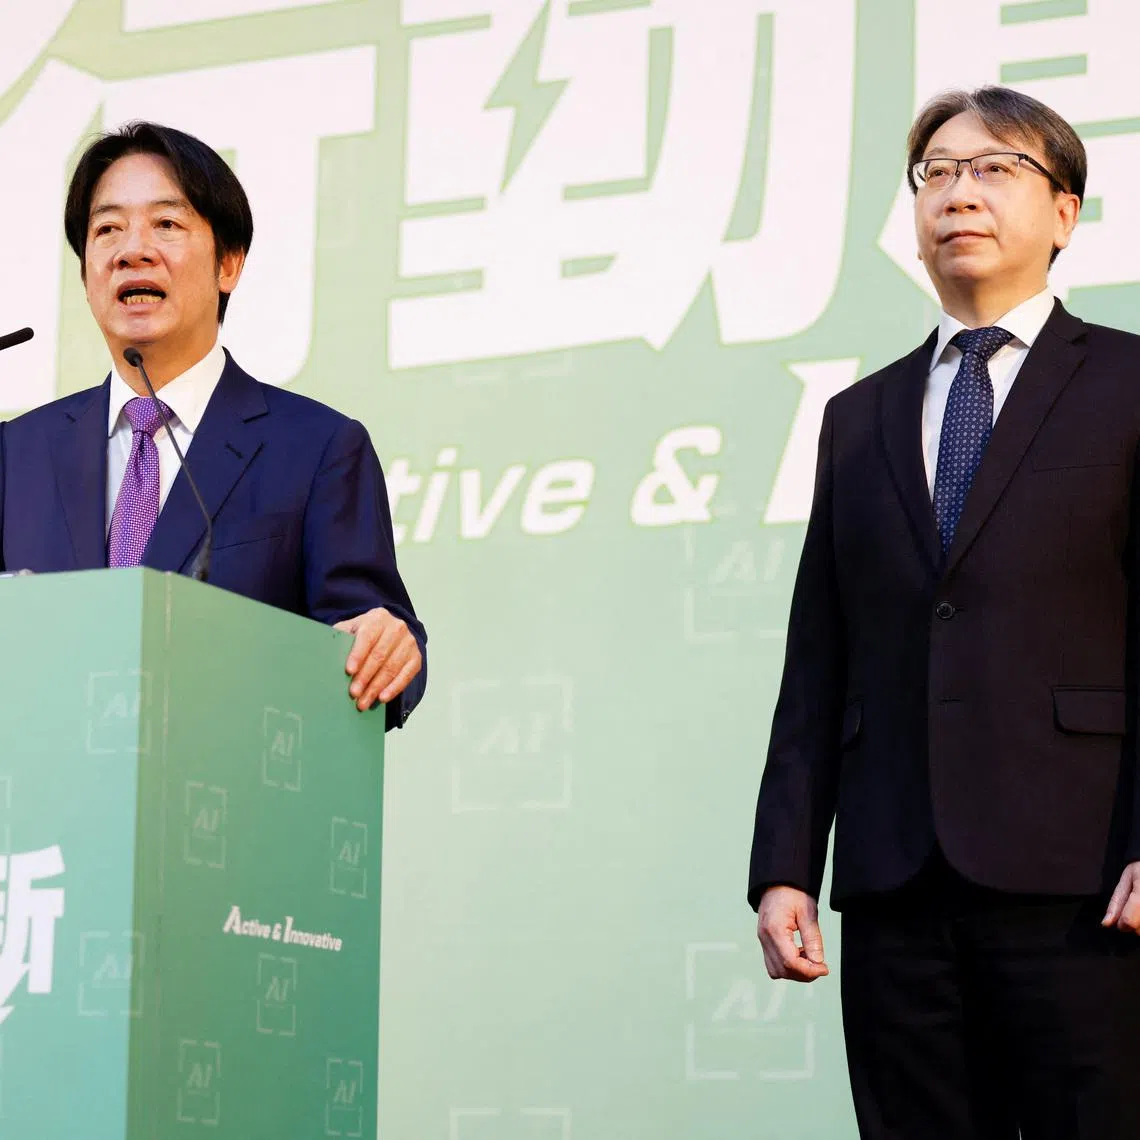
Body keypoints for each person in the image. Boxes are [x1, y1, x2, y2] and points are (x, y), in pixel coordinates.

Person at [749, 86, 1140, 1138]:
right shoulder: (855, 414)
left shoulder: (1130, 380)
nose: (960, 192)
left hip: (1086, 877)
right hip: (895, 881)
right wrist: (787, 861)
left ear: (1063, 213)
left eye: (997, 168)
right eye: (939, 173)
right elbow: (819, 658)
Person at [0, 122, 425, 729]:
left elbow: (369, 638)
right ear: (86, 273)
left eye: (166, 225)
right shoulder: (16, 456)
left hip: (227, 798)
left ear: (229, 264)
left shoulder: (317, 448)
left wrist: (385, 643)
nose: (132, 249)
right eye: (107, 229)